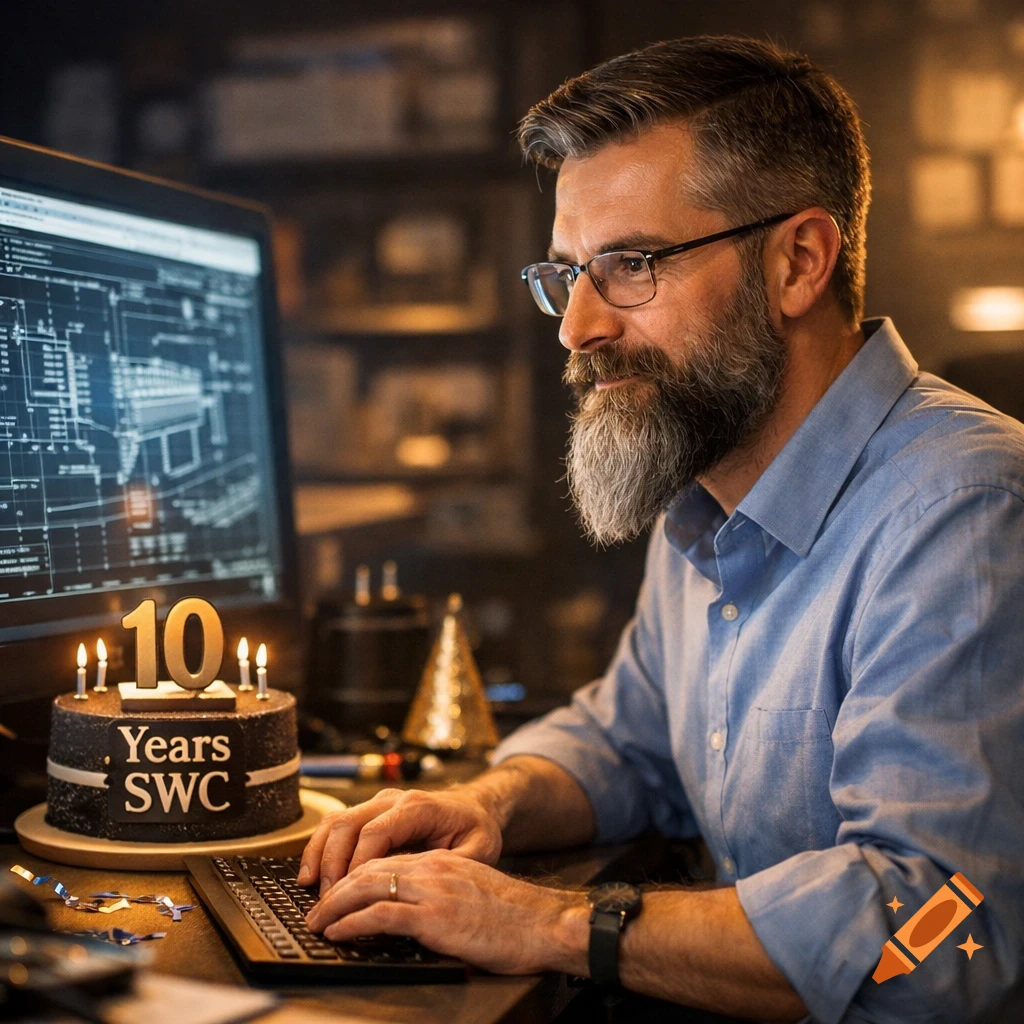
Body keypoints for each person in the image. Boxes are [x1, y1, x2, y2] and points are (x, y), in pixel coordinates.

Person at [299, 35, 1024, 1022]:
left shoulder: (963, 510)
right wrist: (484, 806)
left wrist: (550, 925)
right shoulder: (706, 481)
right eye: (566, 275)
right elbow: (630, 740)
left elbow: (936, 937)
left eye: (631, 264)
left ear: (799, 261)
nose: (576, 326)